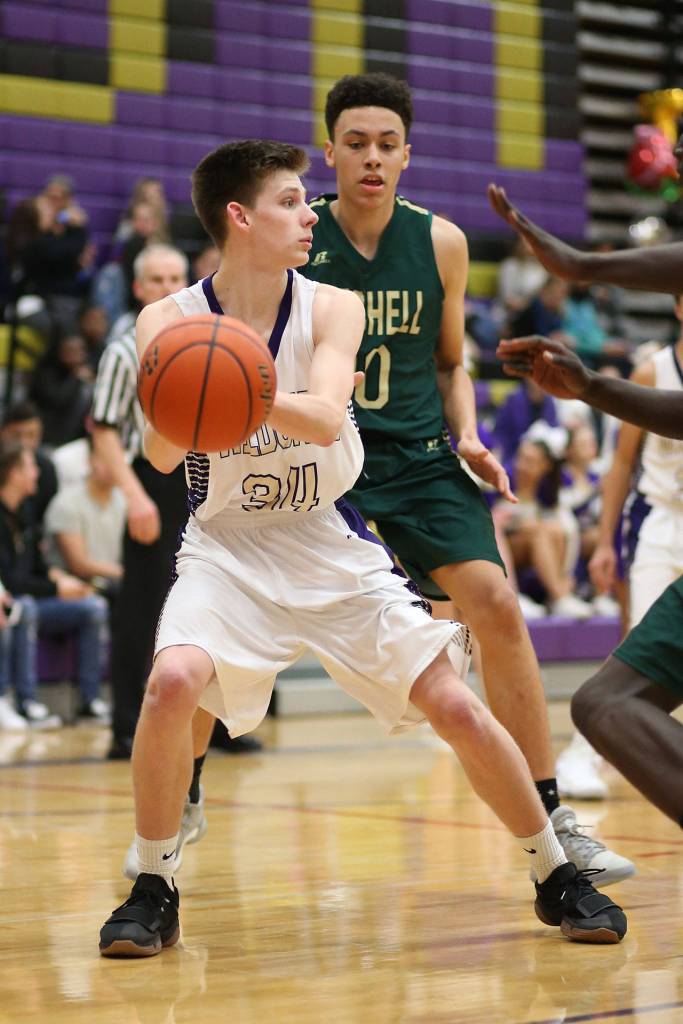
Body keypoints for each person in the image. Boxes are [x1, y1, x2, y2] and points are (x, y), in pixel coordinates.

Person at [98, 139, 626, 958]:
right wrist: (198, 396)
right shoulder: (167, 321)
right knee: (172, 682)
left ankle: (555, 873)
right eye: (288, 200)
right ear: (239, 216)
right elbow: (164, 456)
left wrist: (236, 386)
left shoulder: (332, 305)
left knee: (452, 701)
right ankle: (152, 880)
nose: (309, 213)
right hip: (228, 546)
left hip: (324, 535)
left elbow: (324, 412)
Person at [300, 73, 633, 884]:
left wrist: (471, 434)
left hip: (417, 457)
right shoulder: (296, 235)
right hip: (322, 459)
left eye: (386, 145)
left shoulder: (441, 242)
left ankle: (553, 816)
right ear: (329, 152)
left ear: (407, 155)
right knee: (237, 626)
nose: (371, 158)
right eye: (355, 143)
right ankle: (190, 789)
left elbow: (452, 362)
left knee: (495, 605)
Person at [490, 175, 683, 829]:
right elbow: (627, 457)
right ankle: (581, 762)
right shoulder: (656, 362)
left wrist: (580, 264)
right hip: (662, 521)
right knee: (604, 701)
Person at [90, 245, 191, 759]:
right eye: (157, 279)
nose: (169, 286)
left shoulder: (205, 338)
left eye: (176, 276)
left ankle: (209, 730)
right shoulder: (124, 350)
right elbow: (103, 431)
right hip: (148, 481)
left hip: (199, 482)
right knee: (143, 610)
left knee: (207, 603)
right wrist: (133, 497)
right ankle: (126, 725)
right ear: (138, 288)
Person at [0, 439, 109, 725]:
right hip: (15, 601)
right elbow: (9, 580)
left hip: (33, 598)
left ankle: (89, 700)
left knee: (92, 607)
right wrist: (55, 588)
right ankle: (24, 702)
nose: (37, 472)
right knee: (24, 608)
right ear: (14, 473)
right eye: (31, 466)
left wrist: (60, 578)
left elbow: (37, 566)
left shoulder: (25, 511)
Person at [44, 437, 126, 602]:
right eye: (105, 458)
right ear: (90, 461)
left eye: (116, 459)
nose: (112, 466)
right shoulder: (66, 503)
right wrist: (127, 572)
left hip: (114, 582)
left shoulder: (124, 501)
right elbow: (79, 564)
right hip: (74, 585)